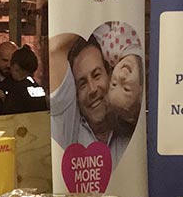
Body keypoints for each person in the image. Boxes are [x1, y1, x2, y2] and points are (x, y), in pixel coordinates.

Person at [49, 33, 128, 164]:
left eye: (96, 75)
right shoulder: (69, 132)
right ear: (75, 95)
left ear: (110, 75)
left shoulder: (132, 127)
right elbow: (55, 49)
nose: (92, 89)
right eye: (82, 84)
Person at [92, 21, 144, 135]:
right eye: (126, 88)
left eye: (114, 83)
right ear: (141, 91)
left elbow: (97, 27)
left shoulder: (111, 52)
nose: (120, 76)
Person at [1, 45, 48, 114]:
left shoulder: (17, 90)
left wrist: (5, 98)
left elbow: (8, 116)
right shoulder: (38, 88)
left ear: (16, 67)